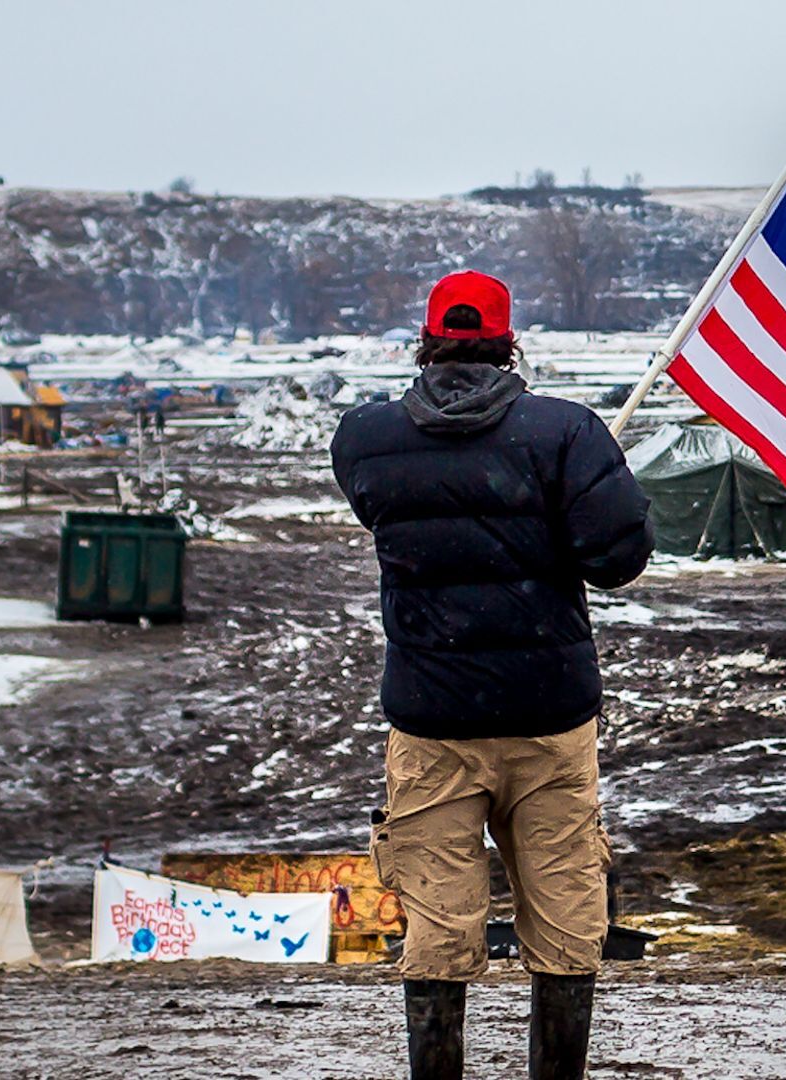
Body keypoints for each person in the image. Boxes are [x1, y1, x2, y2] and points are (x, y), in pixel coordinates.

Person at [331, 270, 653, 1080]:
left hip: (433, 719)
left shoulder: (366, 439)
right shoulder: (566, 434)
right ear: (509, 344)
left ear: (428, 341)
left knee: (438, 924)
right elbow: (620, 560)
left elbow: (382, 507)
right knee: (567, 910)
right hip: (549, 717)